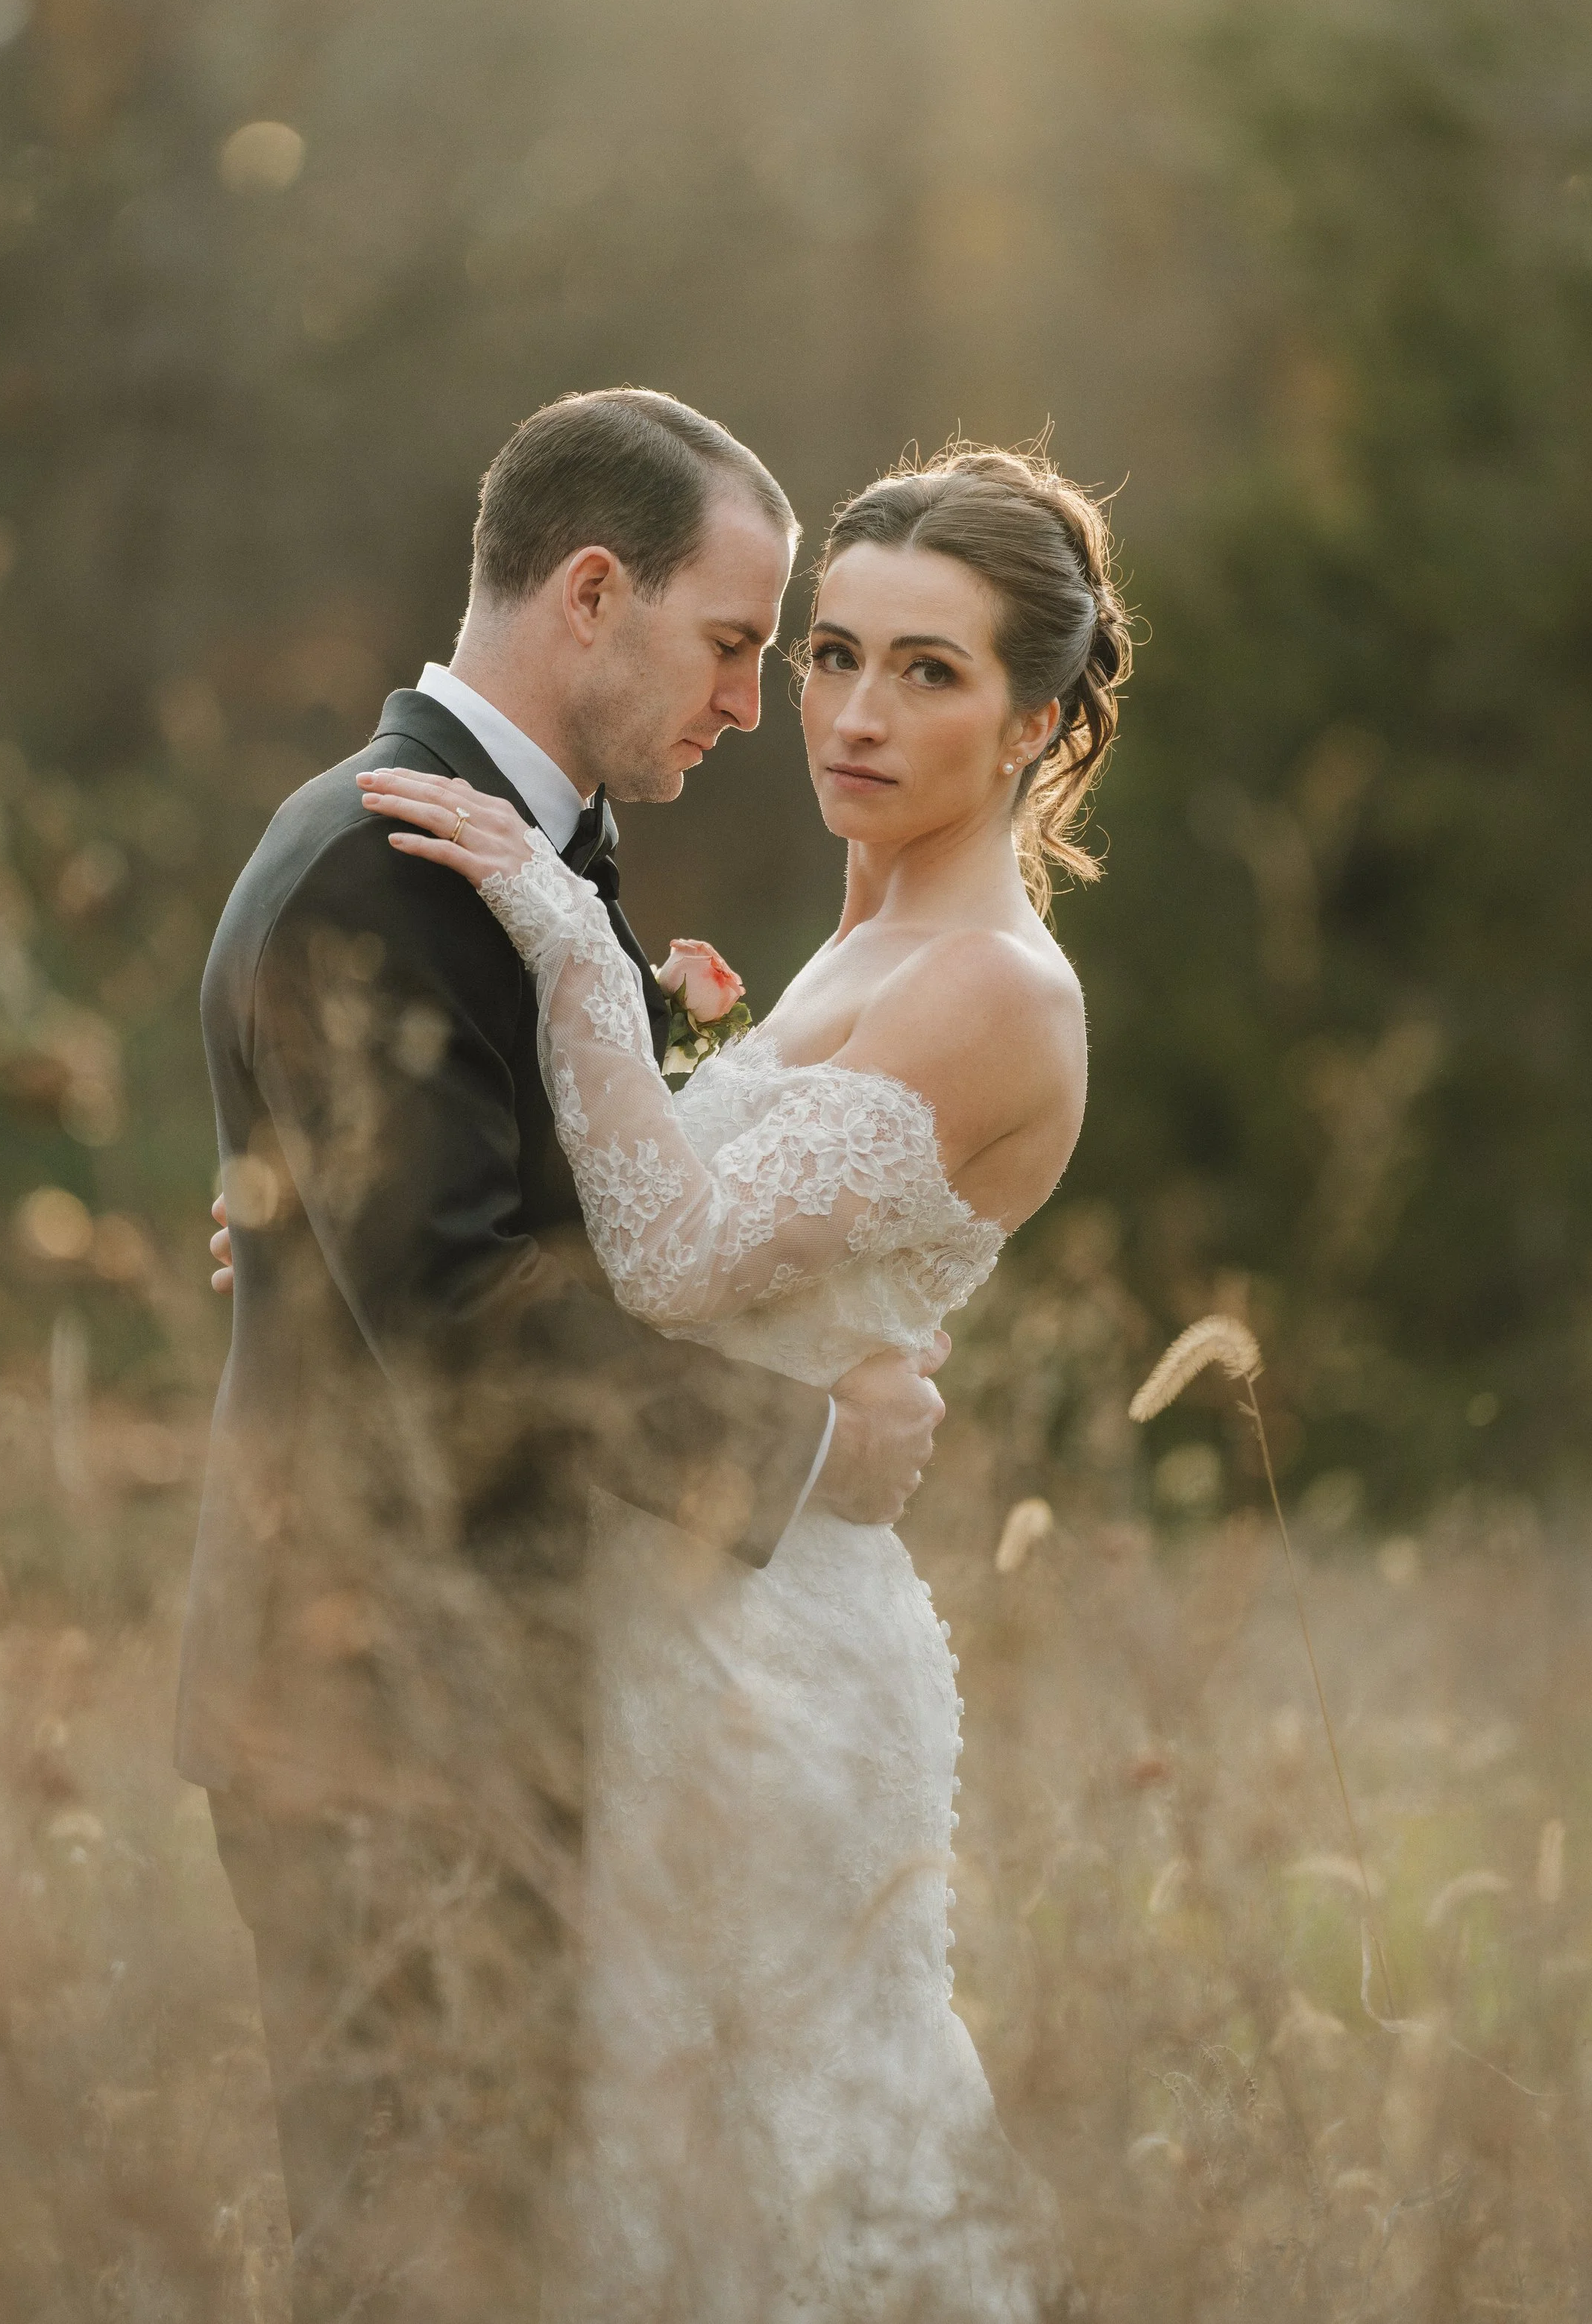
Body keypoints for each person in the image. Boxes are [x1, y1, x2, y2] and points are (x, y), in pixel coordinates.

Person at [175, 389, 948, 2321]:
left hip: (476, 1688)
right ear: (590, 591)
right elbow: (445, 1306)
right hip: (379, 1710)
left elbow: (463, 1218)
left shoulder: (506, 854)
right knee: (425, 2256)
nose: (754, 702)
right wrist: (797, 1440)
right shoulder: (384, 867)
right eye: (734, 641)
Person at [356, 439, 1130, 2321]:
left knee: (753, 2156)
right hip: (669, 1598)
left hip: (771, 1668)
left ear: (1031, 724)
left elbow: (681, 1260)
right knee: (632, 2156)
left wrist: (566, 946)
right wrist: (348, 1239)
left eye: (926, 673)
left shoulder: (996, 992)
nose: (853, 714)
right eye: (829, 655)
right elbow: (683, 1235)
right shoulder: (861, 943)